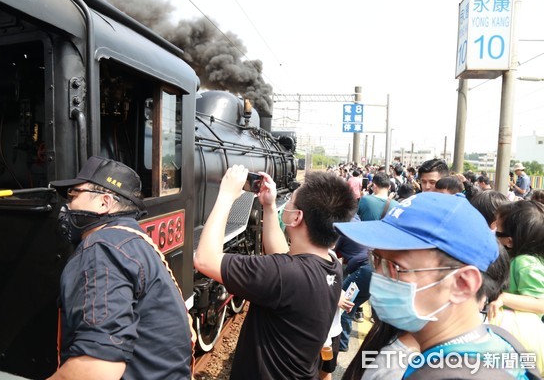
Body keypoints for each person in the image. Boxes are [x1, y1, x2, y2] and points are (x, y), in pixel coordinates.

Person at [334, 192, 537, 378]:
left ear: (462, 284)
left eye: (394, 267)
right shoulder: (500, 342)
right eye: (376, 260)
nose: (378, 276)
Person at [194, 165, 357, 379]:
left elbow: (205, 259)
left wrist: (226, 196)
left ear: (297, 217)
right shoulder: (331, 266)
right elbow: (283, 256)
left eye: (289, 201)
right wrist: (270, 208)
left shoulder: (284, 274)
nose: (286, 203)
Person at [47, 156, 193, 380]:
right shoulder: (135, 241)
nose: (68, 205)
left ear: (104, 202)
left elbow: (97, 369)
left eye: (74, 195)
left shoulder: (101, 250)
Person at [489, 200, 544, 375]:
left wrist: (504, 299)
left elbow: (540, 303)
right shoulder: (518, 259)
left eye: (497, 230)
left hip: (528, 341)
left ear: (509, 241)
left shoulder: (525, 263)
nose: (492, 231)